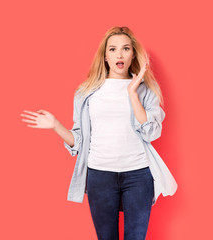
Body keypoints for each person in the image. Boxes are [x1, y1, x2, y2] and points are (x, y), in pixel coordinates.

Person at [20, 26, 177, 240]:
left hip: (139, 174)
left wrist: (132, 92)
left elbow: (151, 133)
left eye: (125, 48)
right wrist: (56, 125)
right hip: (100, 175)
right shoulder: (86, 92)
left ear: (133, 54)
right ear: (105, 56)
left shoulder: (145, 90)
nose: (119, 54)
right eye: (112, 49)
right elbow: (79, 141)